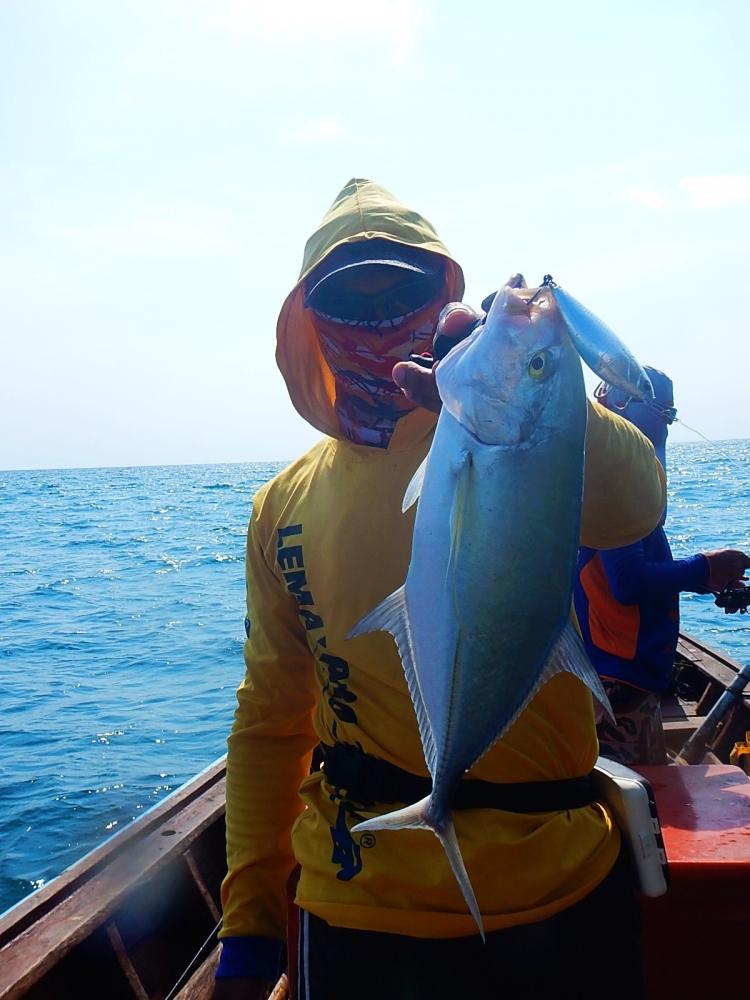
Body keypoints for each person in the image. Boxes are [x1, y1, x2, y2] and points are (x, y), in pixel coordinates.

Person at [212, 178, 668, 1000]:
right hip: (359, 898)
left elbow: (637, 505)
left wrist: (546, 370)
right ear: (308, 319)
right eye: (351, 295)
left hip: (560, 880)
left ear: (448, 294)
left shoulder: (519, 429)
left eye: (406, 288)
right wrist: (249, 920)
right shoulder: (282, 505)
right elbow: (270, 717)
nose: (381, 314)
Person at [575, 369, 750, 766]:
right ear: (620, 404)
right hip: (616, 676)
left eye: (672, 412)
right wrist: (702, 569)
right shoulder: (615, 471)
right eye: (662, 410)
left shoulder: (612, 462)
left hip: (617, 670)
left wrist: (709, 577)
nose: (669, 422)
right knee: (634, 801)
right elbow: (627, 582)